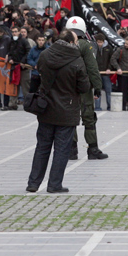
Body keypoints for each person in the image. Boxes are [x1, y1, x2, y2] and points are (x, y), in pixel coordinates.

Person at [26, 30, 90, 194]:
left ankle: (33, 183)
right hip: (67, 109)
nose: (77, 44)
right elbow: (83, 87)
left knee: (42, 146)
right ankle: (54, 184)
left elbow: (39, 74)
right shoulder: (77, 60)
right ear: (70, 42)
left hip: (46, 106)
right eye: (75, 40)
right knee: (62, 149)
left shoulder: (45, 55)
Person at [65, 17, 108, 160]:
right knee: (88, 118)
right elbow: (92, 67)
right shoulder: (85, 45)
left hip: (66, 87)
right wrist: (97, 86)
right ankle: (93, 149)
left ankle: (71, 150)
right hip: (84, 87)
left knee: (70, 118)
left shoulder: (60, 44)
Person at [6, 26, 31, 110]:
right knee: (14, 86)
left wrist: (23, 61)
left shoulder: (24, 41)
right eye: (13, 32)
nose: (14, 33)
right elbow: (8, 53)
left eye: (16, 31)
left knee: (25, 88)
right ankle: (12, 104)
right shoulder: (10, 41)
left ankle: (28, 104)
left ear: (19, 32)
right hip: (14, 68)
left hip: (23, 68)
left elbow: (28, 52)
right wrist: (10, 59)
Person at [93, 34, 114, 111]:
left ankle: (110, 106)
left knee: (108, 91)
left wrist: (109, 68)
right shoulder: (93, 48)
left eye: (101, 42)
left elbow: (111, 60)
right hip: (97, 72)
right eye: (98, 42)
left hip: (106, 73)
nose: (99, 44)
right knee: (97, 90)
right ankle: (97, 107)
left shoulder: (108, 48)